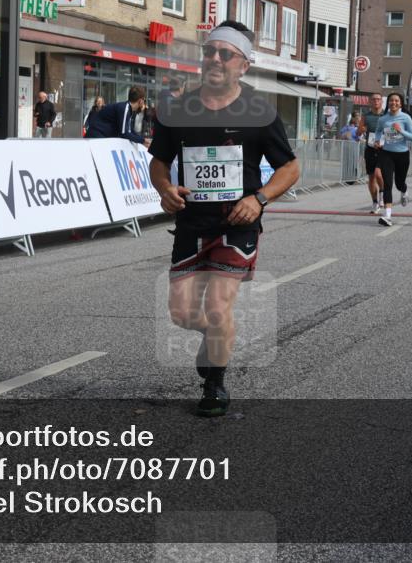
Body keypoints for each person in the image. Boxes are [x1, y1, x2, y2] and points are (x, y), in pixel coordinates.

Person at [148, 21, 299, 417]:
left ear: (243, 65)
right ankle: (213, 338)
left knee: (218, 305)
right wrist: (165, 189)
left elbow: (290, 168)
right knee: (181, 314)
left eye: (225, 54)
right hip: (191, 224)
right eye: (210, 51)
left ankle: (214, 385)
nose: (215, 59)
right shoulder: (177, 109)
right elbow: (159, 163)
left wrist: (260, 198)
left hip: (237, 224)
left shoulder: (259, 111)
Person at [374, 92, 412, 227]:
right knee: (388, 184)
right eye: (391, 101)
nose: (394, 103)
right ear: (388, 103)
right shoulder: (383, 119)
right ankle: (387, 216)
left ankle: (404, 191)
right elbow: (378, 131)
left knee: (399, 183)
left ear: (401, 103)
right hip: (387, 154)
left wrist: (401, 131)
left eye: (397, 101)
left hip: (402, 155)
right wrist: (376, 140)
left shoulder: (406, 118)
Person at [84, 86, 149, 145]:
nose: (144, 102)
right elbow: (124, 133)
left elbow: (130, 130)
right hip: (95, 138)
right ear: (140, 101)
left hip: (99, 137)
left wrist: (143, 140)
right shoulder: (125, 108)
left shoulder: (127, 109)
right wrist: (142, 140)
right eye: (144, 100)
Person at [362, 93, 386, 214]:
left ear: (382, 101)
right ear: (370, 102)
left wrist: (384, 142)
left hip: (384, 149)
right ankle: (375, 202)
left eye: (378, 99)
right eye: (373, 99)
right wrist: (360, 130)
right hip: (370, 149)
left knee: (378, 174)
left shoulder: (387, 115)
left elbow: (392, 133)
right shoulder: (366, 116)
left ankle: (382, 193)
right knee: (371, 177)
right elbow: (358, 132)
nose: (376, 101)